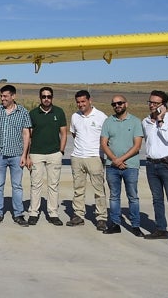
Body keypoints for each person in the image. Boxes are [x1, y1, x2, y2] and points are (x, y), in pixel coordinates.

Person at [142, 90, 168, 244]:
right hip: (152, 164)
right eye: (150, 102)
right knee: (157, 199)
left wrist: (160, 119)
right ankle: (160, 229)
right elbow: (148, 142)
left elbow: (167, 137)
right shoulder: (145, 121)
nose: (151, 105)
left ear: (163, 105)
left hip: (167, 164)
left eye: (155, 103)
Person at [100, 95, 144, 236]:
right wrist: (114, 159)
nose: (117, 105)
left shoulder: (136, 122)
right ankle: (115, 224)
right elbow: (103, 143)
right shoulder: (108, 121)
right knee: (114, 196)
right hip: (112, 166)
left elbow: (137, 146)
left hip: (130, 166)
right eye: (114, 104)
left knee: (133, 196)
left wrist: (121, 159)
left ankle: (136, 225)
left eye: (120, 103)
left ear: (126, 104)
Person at [0, 84, 31, 227]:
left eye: (5, 96)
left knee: (17, 186)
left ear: (13, 96)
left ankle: (18, 214)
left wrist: (25, 155)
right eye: (1, 96)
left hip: (16, 155)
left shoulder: (23, 112)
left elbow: (26, 134)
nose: (2, 99)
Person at [67, 90, 108, 231]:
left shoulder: (101, 117)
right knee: (78, 189)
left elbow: (106, 138)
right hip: (78, 157)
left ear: (90, 101)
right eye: (78, 102)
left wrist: (102, 156)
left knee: (99, 190)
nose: (81, 104)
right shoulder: (75, 116)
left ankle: (101, 217)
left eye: (83, 101)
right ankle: (78, 215)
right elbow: (74, 134)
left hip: (95, 157)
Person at [27, 87, 67, 226]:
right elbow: (28, 135)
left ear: (52, 97)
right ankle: (33, 212)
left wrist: (61, 151)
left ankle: (53, 213)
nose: (46, 99)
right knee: (35, 184)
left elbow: (63, 133)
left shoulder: (59, 112)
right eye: (43, 96)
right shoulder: (33, 113)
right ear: (40, 98)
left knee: (53, 185)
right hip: (36, 153)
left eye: (49, 96)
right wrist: (27, 155)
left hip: (54, 153)